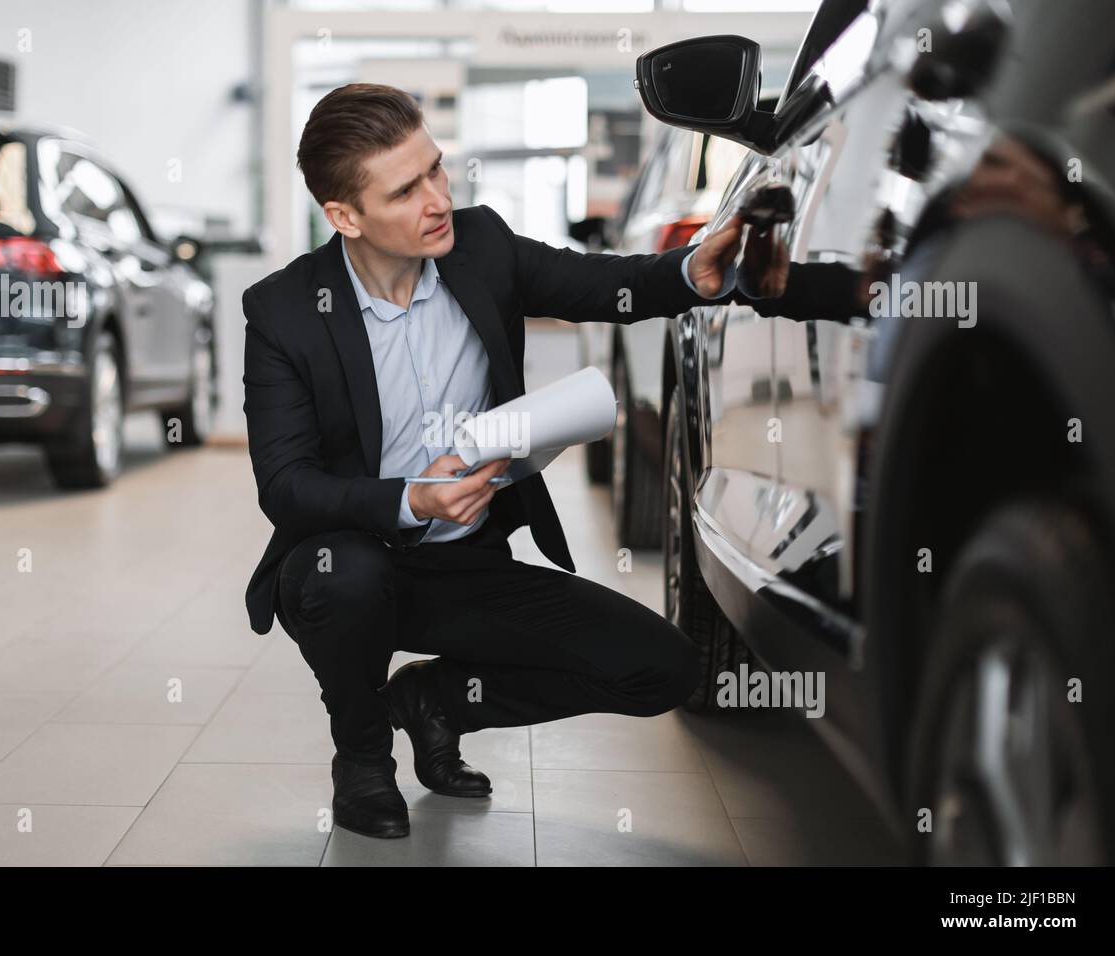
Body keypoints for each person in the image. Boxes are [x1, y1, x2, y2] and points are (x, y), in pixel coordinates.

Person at [241, 83, 771, 839]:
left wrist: (692, 274)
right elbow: (288, 488)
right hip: (349, 557)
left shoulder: (479, 246)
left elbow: (602, 282)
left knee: (666, 668)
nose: (436, 200)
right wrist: (411, 501)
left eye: (435, 171)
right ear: (345, 217)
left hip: (466, 567)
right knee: (346, 575)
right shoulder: (286, 310)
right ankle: (361, 757)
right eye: (406, 189)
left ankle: (437, 703)